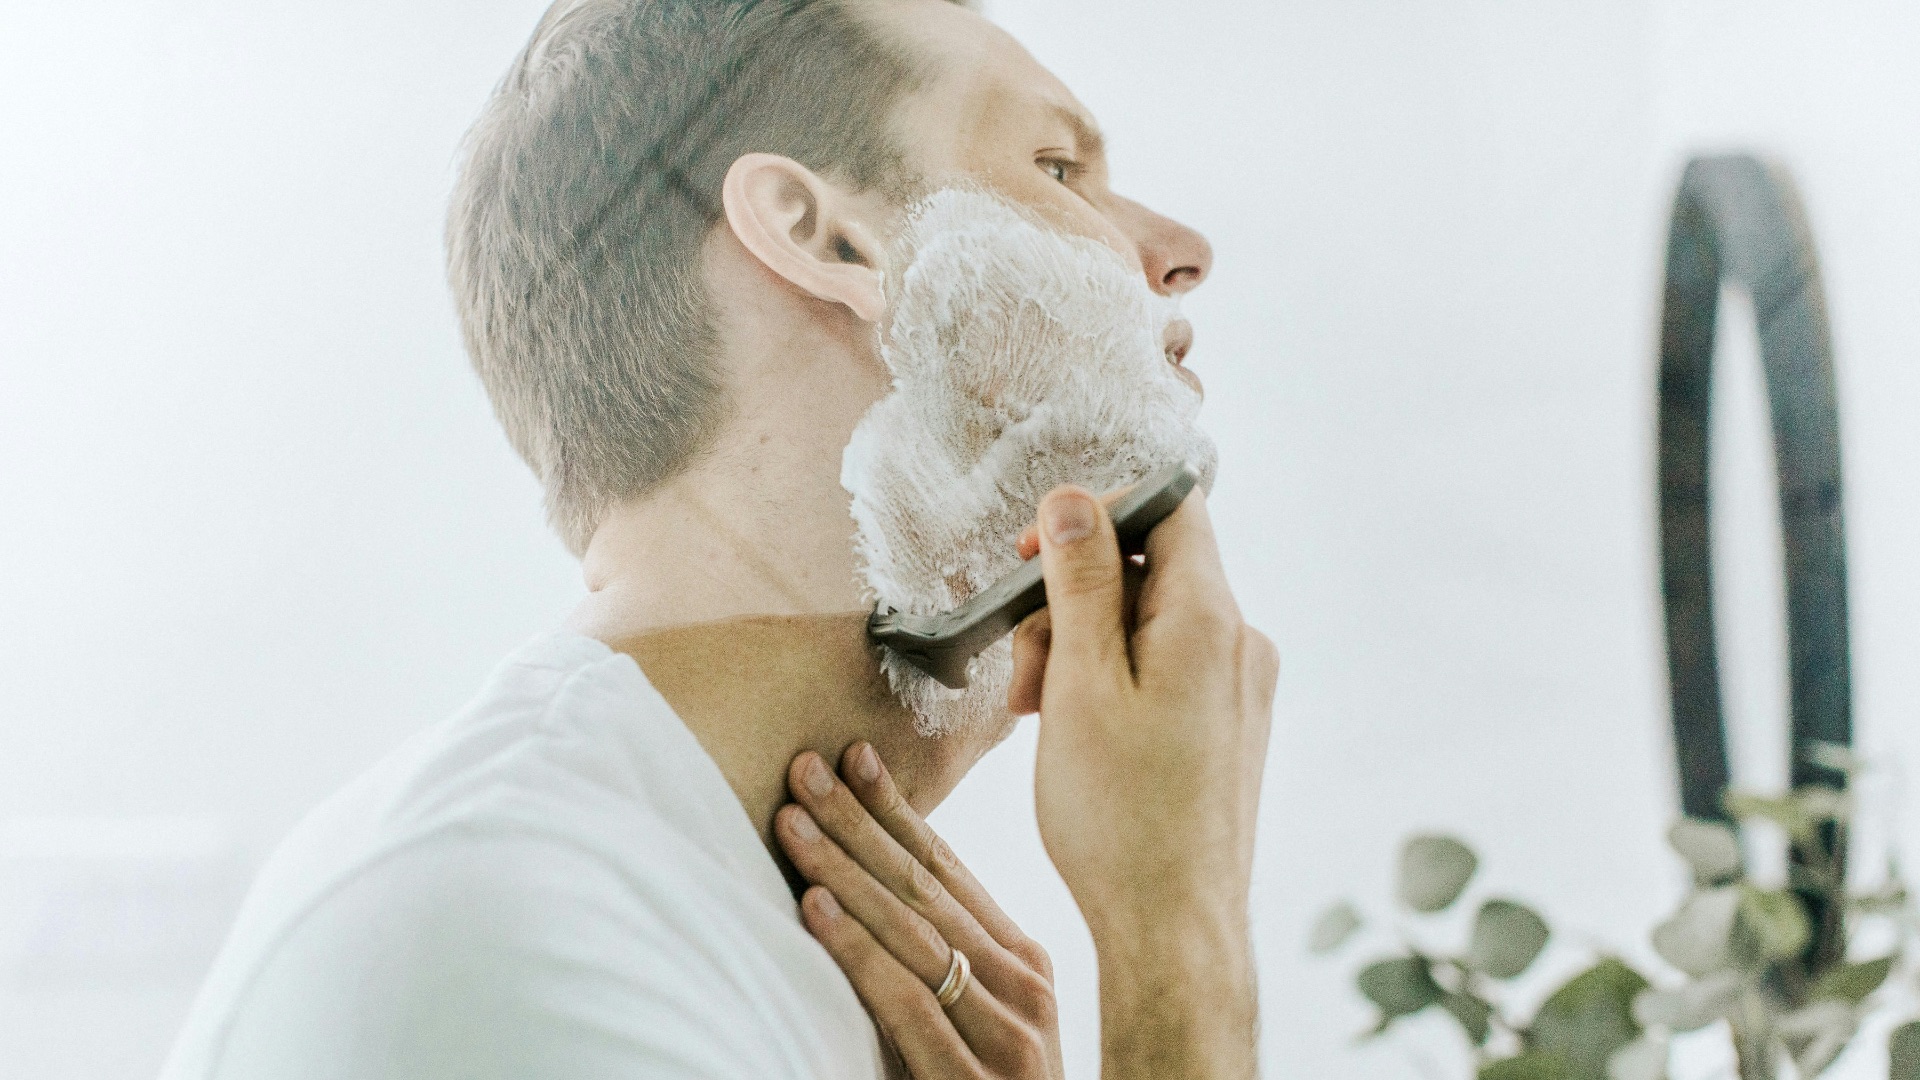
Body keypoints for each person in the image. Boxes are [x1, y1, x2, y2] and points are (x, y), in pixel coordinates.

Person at [161, 1, 1278, 1078]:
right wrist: (1178, 947)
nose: (1181, 252)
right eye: (1059, 170)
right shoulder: (503, 933)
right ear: (826, 237)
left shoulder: (713, 932)